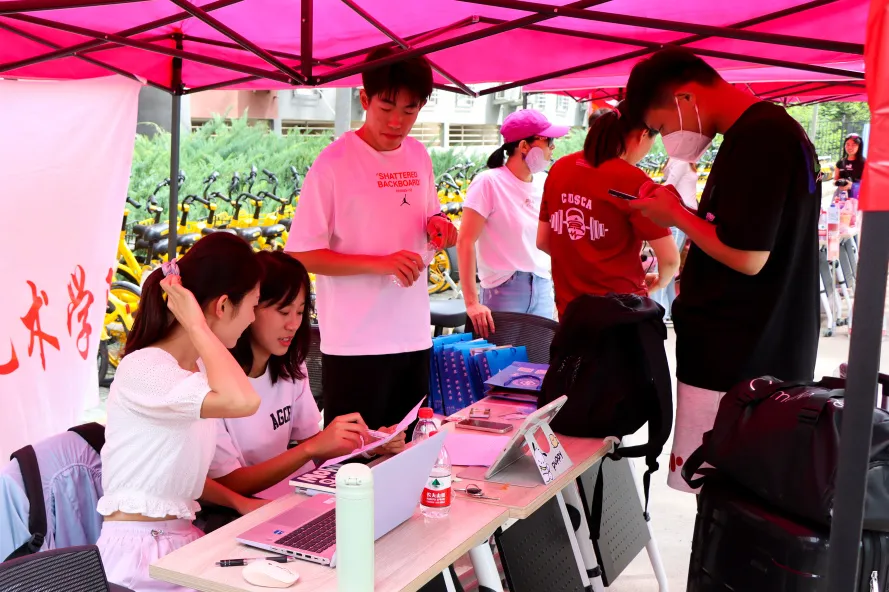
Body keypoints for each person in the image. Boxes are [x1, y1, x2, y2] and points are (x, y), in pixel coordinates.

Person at [624, 48, 820, 492]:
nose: (667, 138)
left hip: (743, 361)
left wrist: (676, 216)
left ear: (684, 98)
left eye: (662, 126)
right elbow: (741, 232)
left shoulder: (760, 137)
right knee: (726, 497)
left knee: (727, 494)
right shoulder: (760, 133)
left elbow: (749, 256)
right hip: (747, 352)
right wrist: (682, 211)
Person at [95, 233, 285, 591]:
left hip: (175, 543)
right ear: (223, 305)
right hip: (139, 559)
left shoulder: (193, 370)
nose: (252, 319)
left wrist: (239, 503)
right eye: (252, 305)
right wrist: (197, 325)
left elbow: (175, 476)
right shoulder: (147, 368)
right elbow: (244, 402)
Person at [285, 48, 458, 433]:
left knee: (410, 447)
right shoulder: (333, 164)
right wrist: (380, 263)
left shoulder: (418, 155)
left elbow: (431, 215)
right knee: (355, 458)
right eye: (386, 107)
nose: (397, 122)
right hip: (355, 342)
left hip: (413, 334)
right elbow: (301, 255)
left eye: (409, 110)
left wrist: (441, 226)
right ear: (364, 99)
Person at [206, 251, 404, 501]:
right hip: (244, 510)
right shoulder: (209, 380)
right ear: (249, 308)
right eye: (283, 311)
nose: (293, 325)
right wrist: (310, 449)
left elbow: (315, 444)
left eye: (300, 312)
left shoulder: (290, 365)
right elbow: (230, 482)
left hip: (292, 497)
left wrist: (370, 444)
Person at [536, 101, 680, 318]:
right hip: (621, 313)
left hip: (570, 312)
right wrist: (660, 282)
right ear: (643, 135)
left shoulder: (560, 168)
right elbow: (670, 260)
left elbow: (543, 241)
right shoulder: (633, 181)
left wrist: (585, 265)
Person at [459, 109, 567, 337]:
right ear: (524, 146)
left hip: (542, 285)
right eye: (548, 141)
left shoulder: (544, 181)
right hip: (503, 289)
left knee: (538, 359)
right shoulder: (488, 182)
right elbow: (465, 241)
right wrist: (472, 303)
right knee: (501, 359)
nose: (553, 147)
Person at [651, 157, 699, 321]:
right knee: (668, 264)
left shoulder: (683, 160)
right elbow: (668, 187)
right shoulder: (681, 161)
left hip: (683, 219)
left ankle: (667, 309)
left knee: (671, 265)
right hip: (677, 219)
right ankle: (661, 310)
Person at [834, 133, 866, 198]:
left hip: (858, 196)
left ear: (859, 146)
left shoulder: (865, 163)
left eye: (854, 145)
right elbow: (835, 179)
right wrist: (839, 182)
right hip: (841, 196)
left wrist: (853, 185)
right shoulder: (840, 162)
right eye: (847, 144)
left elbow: (869, 183)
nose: (850, 147)